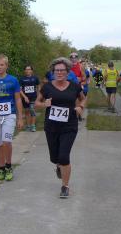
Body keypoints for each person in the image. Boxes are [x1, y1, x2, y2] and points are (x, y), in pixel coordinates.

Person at [35, 57, 86, 199]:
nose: (59, 73)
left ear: (67, 72)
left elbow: (83, 98)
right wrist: (44, 104)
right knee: (55, 157)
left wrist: (80, 107)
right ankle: (58, 165)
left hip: (69, 126)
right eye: (57, 70)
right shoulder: (47, 87)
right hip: (51, 127)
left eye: (62, 70)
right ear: (53, 72)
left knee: (64, 156)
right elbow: (36, 104)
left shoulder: (74, 86)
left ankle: (65, 186)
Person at [19, 65, 40, 132]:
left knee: (32, 110)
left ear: (31, 70)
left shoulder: (35, 78)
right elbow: (20, 90)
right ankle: (28, 126)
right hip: (25, 98)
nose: (28, 71)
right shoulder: (22, 79)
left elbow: (38, 87)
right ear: (24, 71)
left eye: (29, 69)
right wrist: (25, 97)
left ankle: (33, 126)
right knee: (27, 111)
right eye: (26, 69)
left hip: (33, 97)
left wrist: (38, 96)